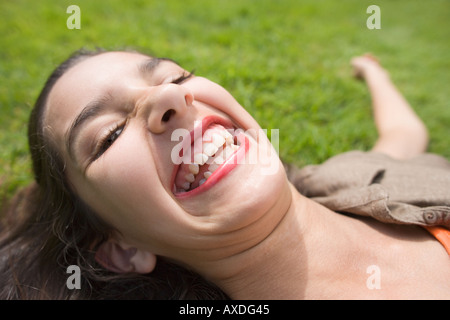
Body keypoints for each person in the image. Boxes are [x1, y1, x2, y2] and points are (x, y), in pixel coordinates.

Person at [0, 49, 448, 300]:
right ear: (121, 249)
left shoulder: (352, 175)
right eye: (110, 134)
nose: (164, 100)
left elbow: (404, 133)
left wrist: (372, 71)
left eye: (175, 77)